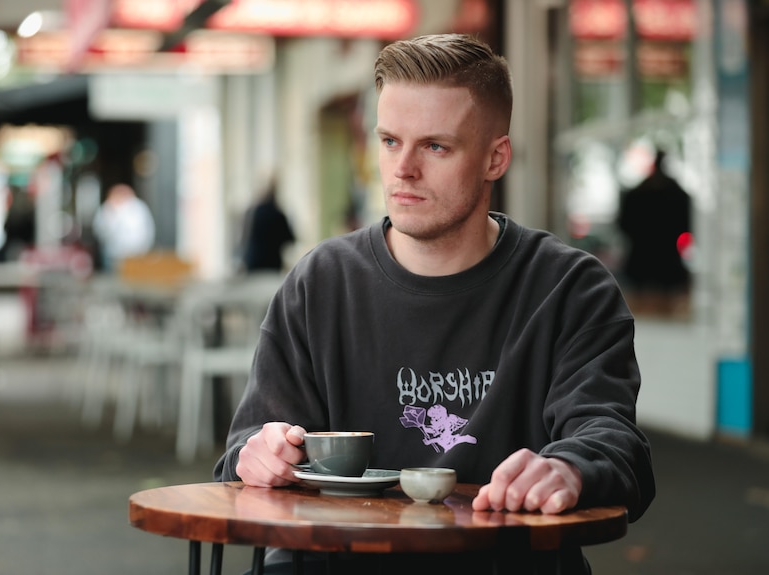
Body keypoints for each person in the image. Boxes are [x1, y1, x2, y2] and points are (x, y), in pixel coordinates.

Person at [214, 34, 655, 574]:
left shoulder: (568, 289)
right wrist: (256, 456)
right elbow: (242, 453)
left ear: (495, 157)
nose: (403, 169)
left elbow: (614, 442)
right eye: (390, 141)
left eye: (435, 146)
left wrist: (569, 468)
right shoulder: (320, 283)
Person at [617, 149, 692, 315]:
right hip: (667, 260)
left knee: (641, 307)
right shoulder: (676, 194)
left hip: (642, 258)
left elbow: (623, 224)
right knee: (666, 306)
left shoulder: (637, 194)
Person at [91, 183, 155, 271]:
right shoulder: (107, 208)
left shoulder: (138, 207)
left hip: (137, 255)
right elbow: (100, 230)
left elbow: (146, 230)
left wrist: (144, 249)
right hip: (113, 255)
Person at [239, 180, 295, 272]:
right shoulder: (278, 215)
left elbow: (243, 239)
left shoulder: (251, 213)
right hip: (272, 265)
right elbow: (290, 239)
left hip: (253, 265)